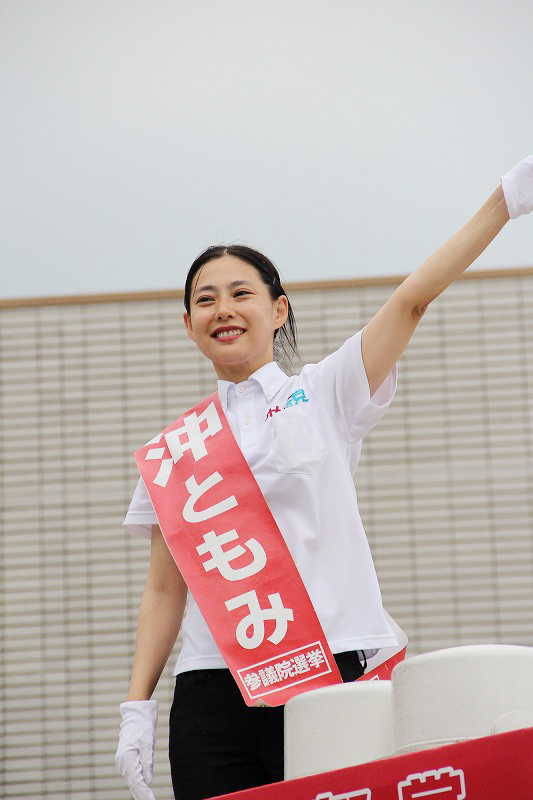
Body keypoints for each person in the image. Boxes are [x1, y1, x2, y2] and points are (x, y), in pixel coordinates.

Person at [116, 155, 533, 800]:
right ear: (189, 324)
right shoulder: (175, 450)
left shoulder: (324, 393)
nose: (223, 309)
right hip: (211, 689)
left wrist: (503, 203)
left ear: (279, 309)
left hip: (325, 669)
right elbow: (165, 589)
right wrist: (136, 707)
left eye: (241, 293)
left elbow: (412, 300)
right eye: (205, 299)